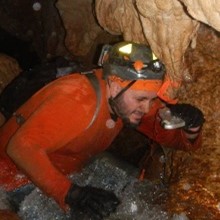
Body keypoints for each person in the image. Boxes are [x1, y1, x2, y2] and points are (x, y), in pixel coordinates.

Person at [0, 41, 204, 219]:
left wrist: (191, 126)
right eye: (142, 99)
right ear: (115, 86)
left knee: (144, 195)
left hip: (69, 170)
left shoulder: (124, 100)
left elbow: (168, 136)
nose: (147, 108)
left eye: (151, 100)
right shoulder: (76, 100)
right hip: (15, 178)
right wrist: (71, 194)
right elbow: (20, 148)